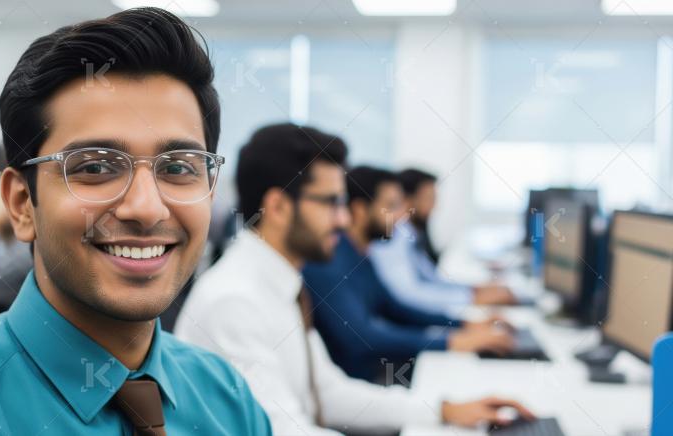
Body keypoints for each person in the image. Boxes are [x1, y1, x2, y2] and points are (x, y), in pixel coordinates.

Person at [0, 8, 271, 435]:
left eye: (177, 167)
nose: (147, 208)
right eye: (96, 167)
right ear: (23, 203)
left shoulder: (229, 399)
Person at [176, 124, 533, 435]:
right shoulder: (236, 301)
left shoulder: (280, 284)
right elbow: (284, 431)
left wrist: (444, 411)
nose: (345, 220)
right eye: (331, 203)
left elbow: (328, 393)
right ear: (280, 207)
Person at [303, 166, 515, 382]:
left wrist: (464, 325)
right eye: (391, 206)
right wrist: (452, 341)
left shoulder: (359, 254)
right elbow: (362, 336)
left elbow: (395, 308)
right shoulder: (329, 260)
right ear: (359, 210)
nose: (401, 216)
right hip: (365, 382)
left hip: (379, 371)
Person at [368, 168, 516, 314]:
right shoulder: (391, 236)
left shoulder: (409, 234)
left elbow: (431, 279)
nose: (435, 206)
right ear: (408, 200)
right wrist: (471, 297)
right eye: (429, 199)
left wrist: (474, 290)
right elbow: (408, 293)